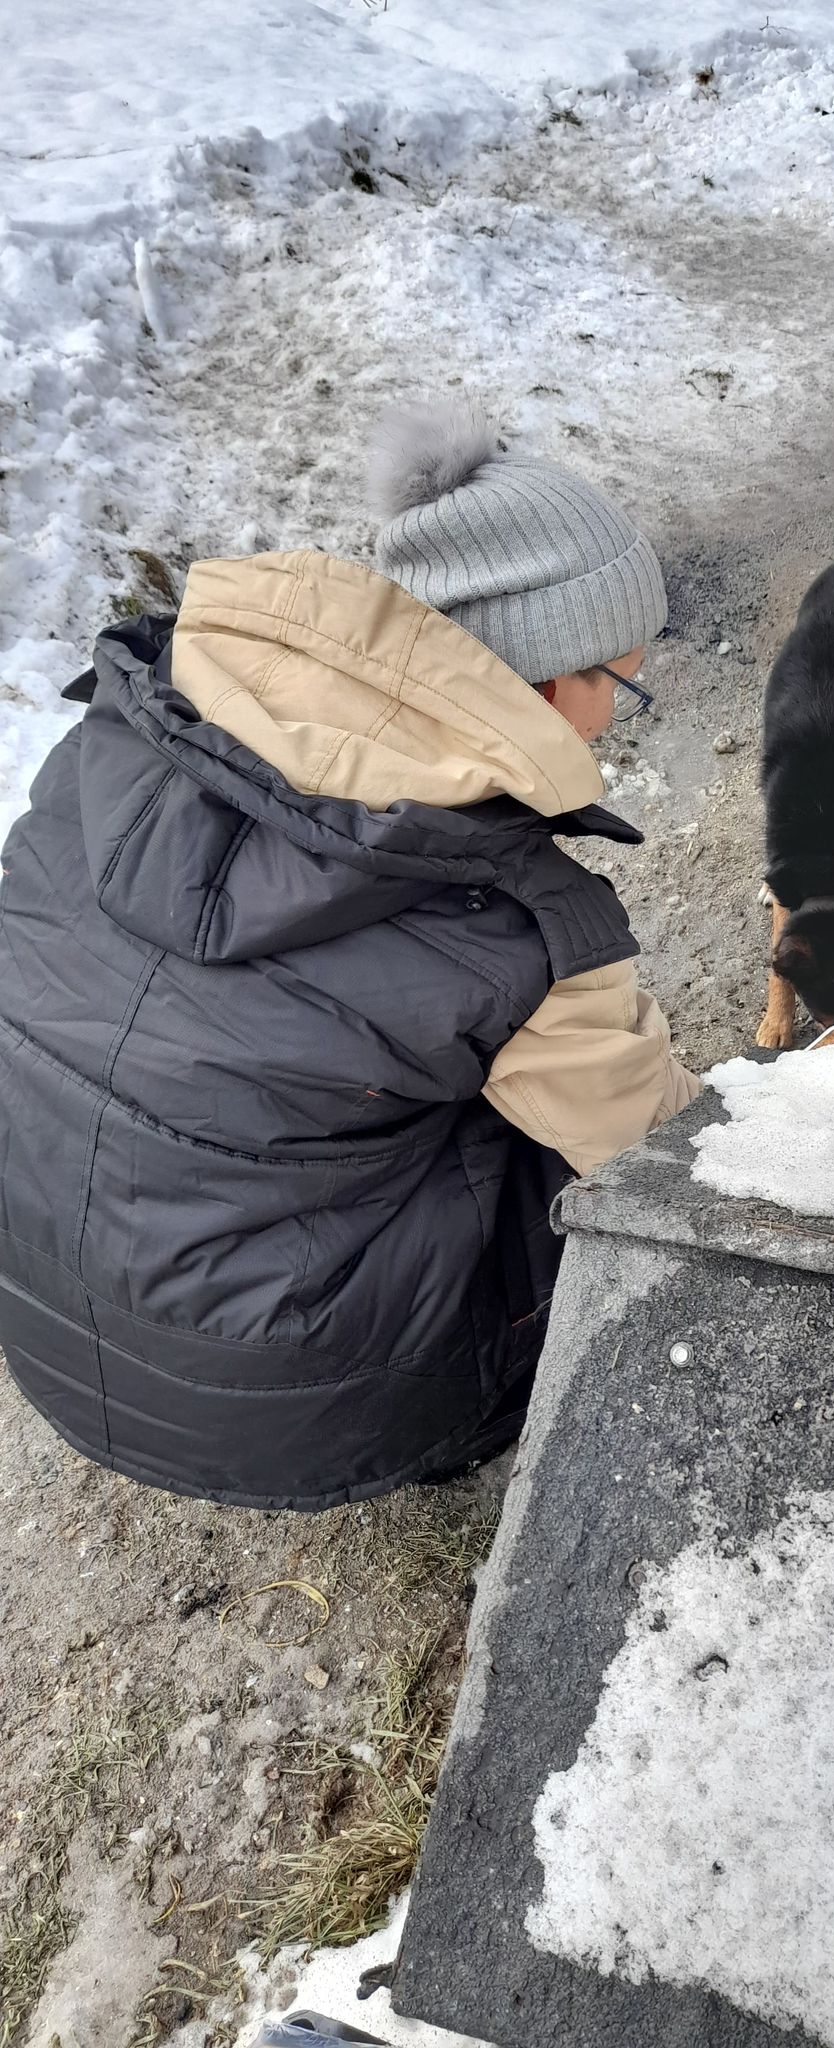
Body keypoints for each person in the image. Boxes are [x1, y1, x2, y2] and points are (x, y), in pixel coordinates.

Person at [0, 404, 699, 1509]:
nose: (617, 710)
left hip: (45, 1327)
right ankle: (466, 1413)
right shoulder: (509, 921)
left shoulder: (116, 739)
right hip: (288, 1415)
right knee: (561, 1147)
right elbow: (654, 1148)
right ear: (547, 676)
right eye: (622, 678)